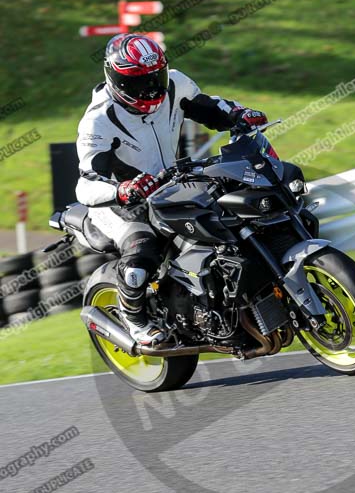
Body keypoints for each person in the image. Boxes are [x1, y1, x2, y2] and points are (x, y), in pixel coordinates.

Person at [76, 33, 267, 346]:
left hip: (170, 184)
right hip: (118, 202)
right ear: (118, 81)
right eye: (141, 83)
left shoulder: (175, 86)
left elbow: (210, 107)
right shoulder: (98, 121)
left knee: (227, 220)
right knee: (142, 253)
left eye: (157, 77)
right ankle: (134, 318)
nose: (152, 89)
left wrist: (238, 115)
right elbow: (86, 183)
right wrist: (123, 189)